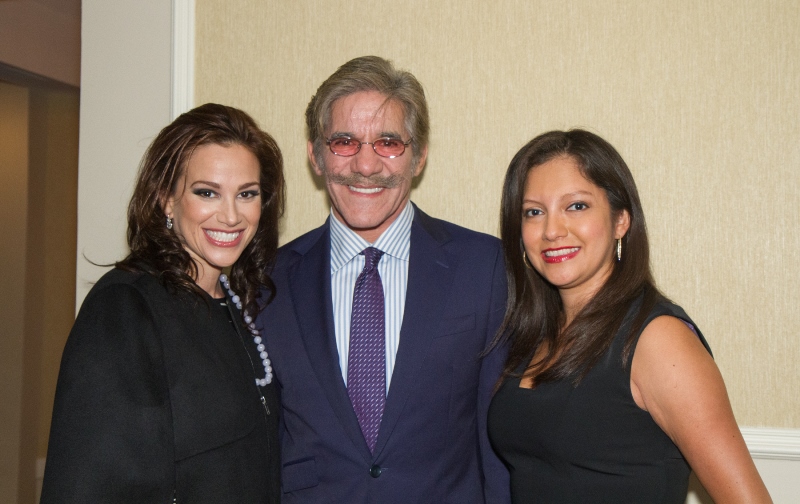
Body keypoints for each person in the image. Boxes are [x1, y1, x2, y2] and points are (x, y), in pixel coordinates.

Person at [256, 56, 510, 503]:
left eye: (388, 142)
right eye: (344, 142)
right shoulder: (268, 281)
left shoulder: (483, 267)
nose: (366, 165)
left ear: (419, 156)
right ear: (316, 155)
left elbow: (499, 440)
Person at [487, 129, 772, 503]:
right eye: (534, 212)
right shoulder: (536, 333)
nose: (552, 230)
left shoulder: (659, 339)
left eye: (576, 206)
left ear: (621, 220)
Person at [40, 103, 285, 503]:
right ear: (166, 200)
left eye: (247, 194)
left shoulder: (237, 304)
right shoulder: (126, 308)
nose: (231, 216)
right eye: (207, 192)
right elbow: (88, 484)